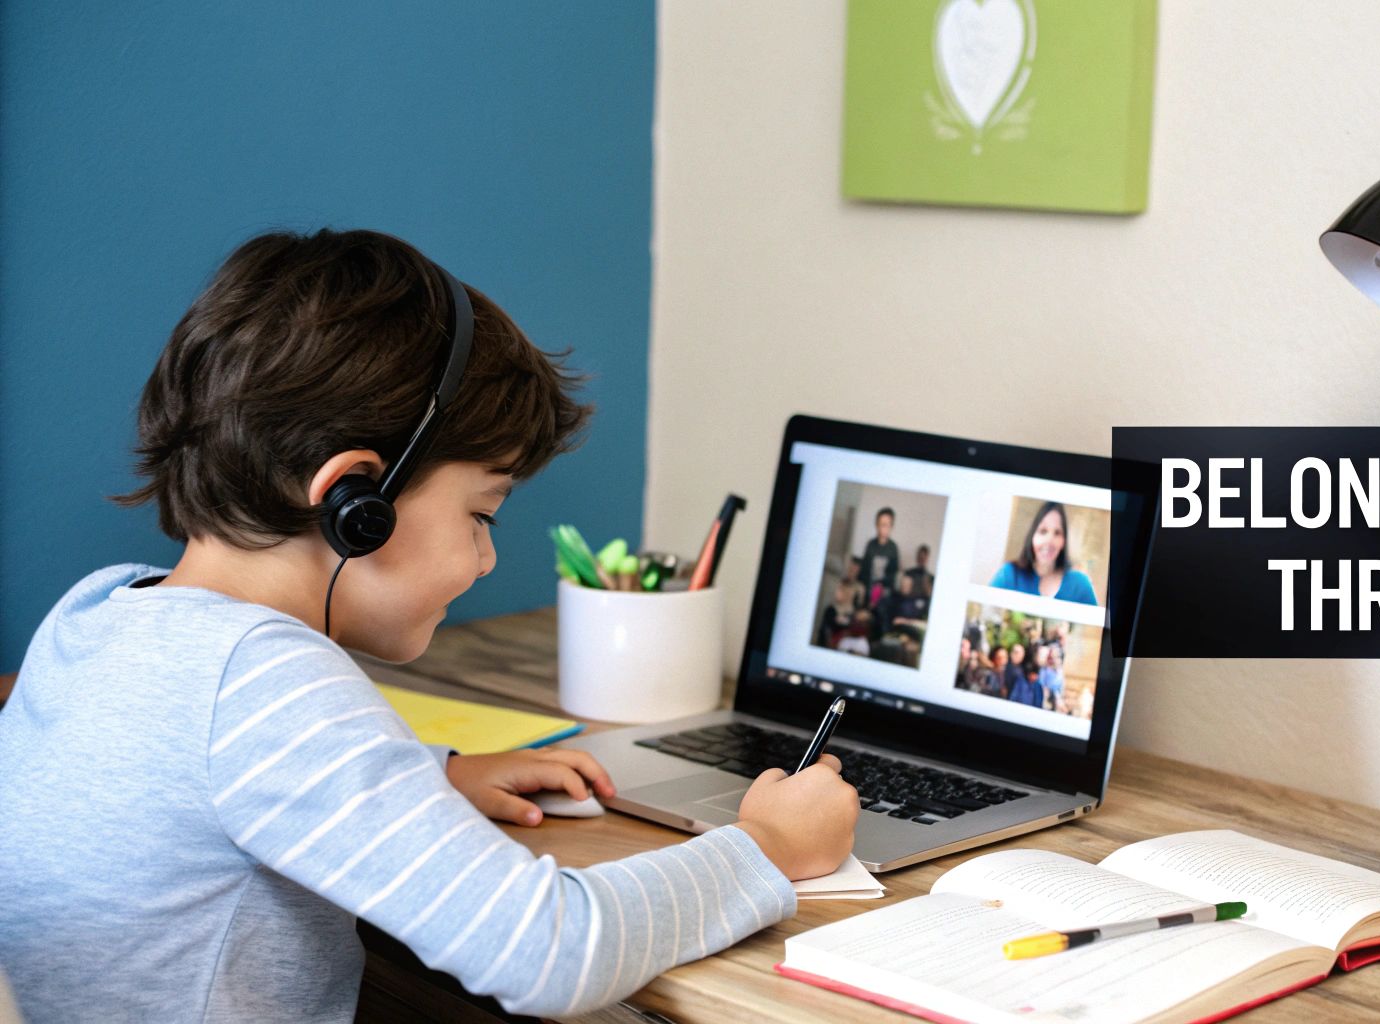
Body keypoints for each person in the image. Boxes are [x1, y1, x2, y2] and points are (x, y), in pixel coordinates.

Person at [0, 230, 859, 1023]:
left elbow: (195, 797)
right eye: (483, 513)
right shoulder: (266, 681)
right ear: (355, 502)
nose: (487, 559)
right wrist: (763, 849)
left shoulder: (101, 613)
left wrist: (428, 782)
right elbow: (551, 951)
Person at [988, 502, 1097, 605]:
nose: (1049, 540)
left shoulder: (1080, 584)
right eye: (1043, 531)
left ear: (1063, 541)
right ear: (1032, 537)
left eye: (1057, 533)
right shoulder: (1010, 574)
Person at [856, 507, 899, 605]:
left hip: (884, 592)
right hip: (867, 588)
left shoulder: (893, 548)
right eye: (881, 524)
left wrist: (880, 587)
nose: (883, 528)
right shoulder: (871, 544)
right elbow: (864, 569)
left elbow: (892, 574)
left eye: (886, 525)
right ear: (876, 525)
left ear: (891, 527)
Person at [1035, 645, 1068, 714]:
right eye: (1053, 657)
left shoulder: (1060, 672)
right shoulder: (1045, 671)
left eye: (1058, 657)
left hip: (1057, 703)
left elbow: (1061, 689)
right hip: (1046, 703)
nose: (1055, 659)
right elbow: (1043, 688)